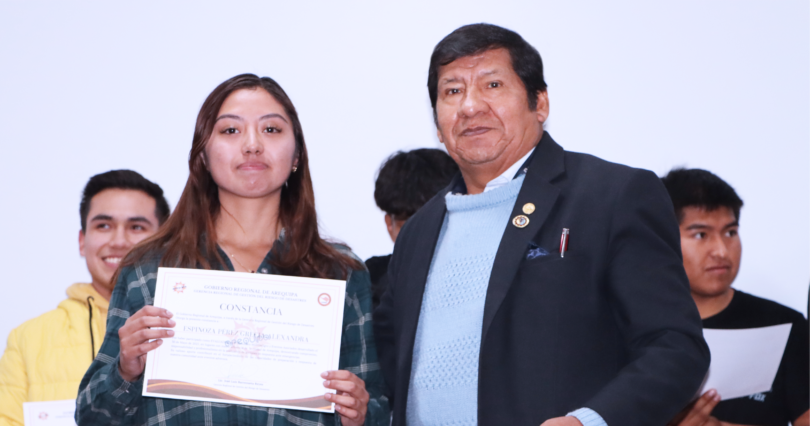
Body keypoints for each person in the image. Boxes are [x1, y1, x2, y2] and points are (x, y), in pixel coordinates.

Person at [373, 23, 710, 426]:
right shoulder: (419, 231)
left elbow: (675, 348)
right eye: (453, 91)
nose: (470, 106)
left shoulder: (611, 196)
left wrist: (589, 421)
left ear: (540, 104)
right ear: (438, 123)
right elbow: (387, 364)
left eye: (492, 85)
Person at [75, 74, 388, 426]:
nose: (252, 145)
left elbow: (377, 407)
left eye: (271, 129)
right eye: (231, 130)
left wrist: (361, 412)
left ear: (297, 154)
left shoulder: (339, 272)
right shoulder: (148, 269)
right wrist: (125, 370)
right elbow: (91, 417)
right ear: (203, 156)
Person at [0, 170, 170, 426]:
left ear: (165, 241)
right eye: (103, 226)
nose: (119, 241)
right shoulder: (28, 339)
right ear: (82, 241)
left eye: (136, 227)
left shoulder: (187, 326)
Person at [661, 168, 810, 426]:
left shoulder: (785, 326)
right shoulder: (631, 326)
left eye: (730, 232)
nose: (721, 251)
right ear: (662, 238)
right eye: (701, 235)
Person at [366, 148, 459, 310]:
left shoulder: (482, 277)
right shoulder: (367, 281)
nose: (424, 237)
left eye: (436, 222)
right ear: (389, 224)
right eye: (409, 226)